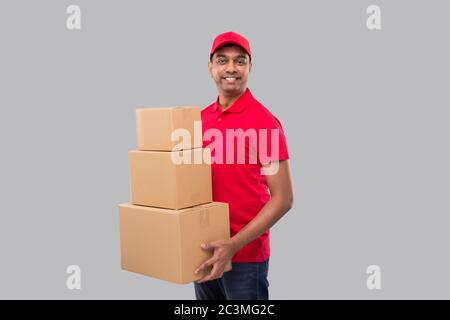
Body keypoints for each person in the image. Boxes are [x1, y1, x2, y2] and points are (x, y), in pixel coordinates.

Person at [194, 31, 294, 300]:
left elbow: (283, 199)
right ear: (210, 67)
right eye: (222, 60)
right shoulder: (199, 120)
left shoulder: (264, 123)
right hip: (204, 250)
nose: (231, 68)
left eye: (240, 61)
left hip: (246, 258)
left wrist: (234, 244)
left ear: (250, 67)